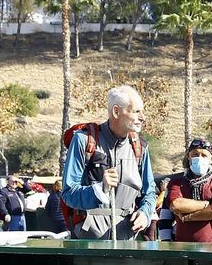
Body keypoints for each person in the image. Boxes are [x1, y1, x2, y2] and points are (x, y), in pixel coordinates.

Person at [60, 85, 155, 240]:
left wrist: (145, 213)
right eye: (136, 111)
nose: (142, 117)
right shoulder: (83, 140)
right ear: (116, 111)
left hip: (127, 245)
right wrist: (99, 189)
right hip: (87, 247)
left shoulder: (141, 148)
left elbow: (149, 192)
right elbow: (68, 193)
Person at [165, 139, 212, 243]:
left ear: (211, 159)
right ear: (188, 157)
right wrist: (208, 204)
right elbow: (176, 205)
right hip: (182, 245)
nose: (199, 158)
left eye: (204, 155)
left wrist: (188, 217)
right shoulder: (176, 183)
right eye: (195, 154)